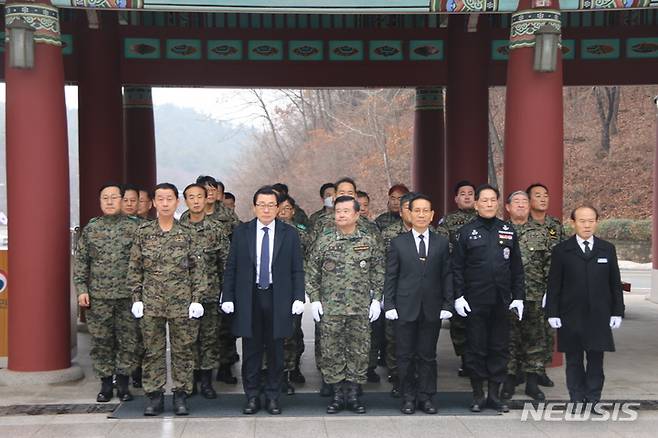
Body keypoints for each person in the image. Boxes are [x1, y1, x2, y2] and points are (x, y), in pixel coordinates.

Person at [220, 186, 305, 415]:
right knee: (252, 351)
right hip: (250, 297)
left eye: (271, 205)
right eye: (262, 205)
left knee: (277, 350)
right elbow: (232, 268)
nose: (266, 209)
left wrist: (298, 296)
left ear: (278, 208)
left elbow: (297, 269)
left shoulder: (290, 234)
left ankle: (273, 396)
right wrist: (228, 297)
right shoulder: (242, 232)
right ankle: (252, 396)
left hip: (278, 297)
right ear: (254, 207)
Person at [127, 183, 207, 416]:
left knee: (183, 350)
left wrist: (197, 299)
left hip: (181, 303)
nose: (164, 203)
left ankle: (181, 395)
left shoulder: (188, 233)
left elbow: (198, 270)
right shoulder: (143, 233)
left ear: (176, 202)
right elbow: (135, 268)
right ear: (153, 203)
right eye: (160, 199)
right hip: (151, 302)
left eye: (169, 199)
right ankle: (155, 396)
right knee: (153, 351)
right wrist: (136, 298)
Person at [306, 196, 384, 414]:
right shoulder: (324, 240)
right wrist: (315, 299)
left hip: (360, 308)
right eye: (338, 211)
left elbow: (378, 270)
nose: (341, 214)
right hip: (332, 310)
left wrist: (377, 299)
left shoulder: (368, 240)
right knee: (332, 352)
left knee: (359, 352)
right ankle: (338, 396)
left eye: (346, 211)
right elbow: (312, 272)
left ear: (357, 214)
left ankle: (354, 395)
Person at [452, 184, 525, 413]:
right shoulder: (466, 232)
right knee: (476, 349)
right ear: (476, 204)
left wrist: (519, 297)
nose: (489, 204)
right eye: (484, 200)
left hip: (501, 300)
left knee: (499, 348)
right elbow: (457, 268)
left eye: (493, 200)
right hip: (475, 301)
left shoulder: (508, 230)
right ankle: (478, 394)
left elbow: (516, 268)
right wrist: (458, 296)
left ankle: (494, 395)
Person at [546, 205, 624, 409]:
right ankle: (576, 398)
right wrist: (552, 312)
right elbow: (554, 285)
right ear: (573, 223)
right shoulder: (562, 250)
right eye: (582, 221)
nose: (587, 225)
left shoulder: (607, 249)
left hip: (599, 314)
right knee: (573, 360)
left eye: (591, 220)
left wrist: (617, 311)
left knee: (596, 360)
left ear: (597, 222)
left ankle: (593, 398)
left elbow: (614, 283)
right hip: (570, 314)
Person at [383, 194, 453, 414]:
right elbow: (391, 276)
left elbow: (447, 275)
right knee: (404, 355)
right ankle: (408, 396)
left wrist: (448, 304)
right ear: (409, 214)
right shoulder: (398, 243)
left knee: (427, 355)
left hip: (431, 307)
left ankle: (427, 396)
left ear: (432, 215)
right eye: (417, 211)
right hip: (404, 308)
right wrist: (390, 305)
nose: (421, 215)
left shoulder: (442, 243)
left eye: (426, 211)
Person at [74, 183, 140, 403]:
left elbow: (143, 263)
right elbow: (82, 262)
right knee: (101, 342)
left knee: (128, 341)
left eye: (114, 197)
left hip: (127, 297)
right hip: (99, 297)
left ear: (122, 200)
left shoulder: (135, 228)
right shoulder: (92, 229)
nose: (110, 202)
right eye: (105, 198)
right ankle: (105, 385)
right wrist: (82, 289)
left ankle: (123, 384)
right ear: (100, 202)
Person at [501, 191, 552, 402]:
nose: (521, 205)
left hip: (535, 294)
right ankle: (509, 380)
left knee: (535, 339)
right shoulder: (499, 231)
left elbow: (550, 263)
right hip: (507, 296)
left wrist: (550, 291)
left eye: (524, 202)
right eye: (517, 202)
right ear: (507, 207)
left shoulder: (541, 233)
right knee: (508, 339)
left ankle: (532, 382)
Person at [180, 184, 230, 399]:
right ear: (185, 201)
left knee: (209, 339)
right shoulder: (177, 228)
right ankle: (190, 380)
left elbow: (225, 262)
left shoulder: (216, 229)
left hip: (210, 293)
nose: (196, 201)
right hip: (183, 296)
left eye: (200, 196)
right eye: (191, 197)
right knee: (187, 340)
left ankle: (207, 382)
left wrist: (225, 292)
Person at [436, 180, 478, 377]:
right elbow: (443, 246)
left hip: (480, 278)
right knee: (460, 322)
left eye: (470, 193)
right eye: (463, 193)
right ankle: (466, 359)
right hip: (458, 275)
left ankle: (478, 357)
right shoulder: (448, 221)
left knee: (479, 319)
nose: (467, 196)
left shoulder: (484, 218)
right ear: (456, 198)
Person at [527, 182, 564, 387]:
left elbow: (564, 254)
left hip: (551, 287)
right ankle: (525, 371)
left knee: (546, 333)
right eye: (538, 195)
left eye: (546, 195)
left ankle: (540, 369)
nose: (543, 199)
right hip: (529, 287)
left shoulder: (555, 225)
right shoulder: (523, 224)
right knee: (527, 332)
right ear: (529, 200)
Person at [379, 191, 417, 397]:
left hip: (421, 294)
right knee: (395, 338)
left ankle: (417, 377)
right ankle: (397, 377)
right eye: (407, 208)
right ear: (402, 212)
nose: (413, 213)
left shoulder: (433, 235)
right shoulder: (389, 233)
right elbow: (381, 264)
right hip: (396, 292)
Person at [276, 194, 309, 392]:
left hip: (292, 290)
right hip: (271, 290)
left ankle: (289, 372)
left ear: (293, 211)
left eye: (287, 208)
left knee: (291, 334)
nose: (282, 212)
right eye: (279, 208)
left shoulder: (300, 234)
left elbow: (309, 260)